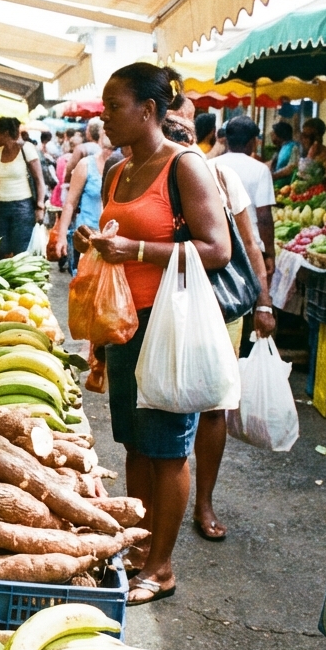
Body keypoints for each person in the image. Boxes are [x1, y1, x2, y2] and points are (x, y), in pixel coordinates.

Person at [72, 63, 230, 605]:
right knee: (136, 445)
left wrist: (136, 250)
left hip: (167, 328)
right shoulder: (117, 170)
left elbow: (217, 249)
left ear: (148, 110)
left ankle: (161, 567)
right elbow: (121, 239)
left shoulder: (186, 167)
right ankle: (136, 548)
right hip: (123, 326)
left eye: (114, 106)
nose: (105, 116)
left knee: (168, 450)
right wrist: (95, 243)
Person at [161, 112, 277, 542]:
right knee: (165, 400)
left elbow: (250, 243)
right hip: (162, 309)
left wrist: (263, 302)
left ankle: (203, 502)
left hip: (221, 310)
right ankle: (167, 499)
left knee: (213, 406)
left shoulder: (222, 176)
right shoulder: (144, 178)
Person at [211, 116, 277, 276]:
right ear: (252, 142)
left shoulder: (210, 165)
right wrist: (270, 254)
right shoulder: (260, 169)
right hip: (250, 248)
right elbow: (264, 217)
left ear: (227, 140)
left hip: (217, 245)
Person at [52, 130, 111, 273]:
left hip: (111, 239)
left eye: (114, 149)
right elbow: (70, 203)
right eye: (108, 148)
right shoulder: (86, 165)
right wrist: (61, 237)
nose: (109, 152)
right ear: (101, 140)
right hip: (86, 236)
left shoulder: (126, 165)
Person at [0, 116, 47, 257]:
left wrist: (40, 207)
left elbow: (39, 180)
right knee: (0, 250)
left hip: (22, 208)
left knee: (21, 250)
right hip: (1, 207)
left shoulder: (26, 149)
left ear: (6, 133)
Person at [269, 121, 299, 189]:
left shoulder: (293, 147)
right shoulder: (281, 147)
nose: (271, 136)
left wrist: (273, 176)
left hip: (286, 187)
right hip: (278, 186)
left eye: (273, 134)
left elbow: (291, 167)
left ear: (279, 135)